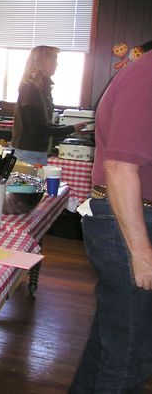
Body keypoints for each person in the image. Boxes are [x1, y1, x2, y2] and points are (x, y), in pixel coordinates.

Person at [69, 50, 152, 393]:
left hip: (125, 219)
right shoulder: (147, 76)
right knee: (131, 353)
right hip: (129, 222)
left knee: (113, 340)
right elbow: (119, 168)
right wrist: (141, 251)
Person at [11, 46, 87, 166]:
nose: (57, 64)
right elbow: (38, 128)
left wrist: (73, 128)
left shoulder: (41, 88)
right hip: (28, 153)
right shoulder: (30, 88)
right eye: (54, 60)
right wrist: (72, 129)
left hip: (34, 152)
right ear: (43, 62)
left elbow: (43, 125)